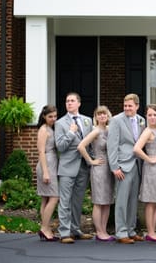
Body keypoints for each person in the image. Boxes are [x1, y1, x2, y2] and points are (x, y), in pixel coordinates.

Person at [54, 92, 94, 244]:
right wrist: (71, 132)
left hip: (83, 167)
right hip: (67, 167)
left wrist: (92, 161)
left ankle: (75, 229)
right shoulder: (60, 123)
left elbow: (89, 144)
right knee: (65, 201)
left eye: (72, 101)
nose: (69, 103)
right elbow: (60, 147)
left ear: (79, 103)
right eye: (67, 101)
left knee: (77, 201)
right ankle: (64, 232)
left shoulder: (87, 121)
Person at [107, 93, 145, 244]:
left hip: (137, 165)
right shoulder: (116, 120)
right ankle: (121, 232)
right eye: (125, 106)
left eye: (130, 106)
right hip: (123, 165)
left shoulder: (142, 120)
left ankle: (131, 230)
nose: (127, 108)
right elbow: (112, 145)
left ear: (137, 106)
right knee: (122, 200)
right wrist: (115, 167)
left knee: (133, 201)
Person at [77, 105, 115, 242]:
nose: (102, 116)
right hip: (99, 169)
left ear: (108, 115)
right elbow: (81, 146)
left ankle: (104, 230)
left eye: (104, 114)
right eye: (99, 114)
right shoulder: (96, 131)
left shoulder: (110, 130)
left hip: (109, 169)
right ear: (96, 117)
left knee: (107, 201)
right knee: (99, 201)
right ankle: (99, 232)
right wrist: (91, 161)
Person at [133, 104, 156, 242]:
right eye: (150, 115)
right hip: (152, 169)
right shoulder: (148, 131)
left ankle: (151, 231)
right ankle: (151, 232)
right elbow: (136, 149)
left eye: (155, 115)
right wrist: (149, 159)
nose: (152, 117)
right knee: (152, 201)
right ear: (146, 117)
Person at [35, 105, 59, 241]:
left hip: (52, 164)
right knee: (54, 197)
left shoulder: (51, 128)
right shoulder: (43, 130)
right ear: (44, 116)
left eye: (55, 116)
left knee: (45, 198)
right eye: (50, 116)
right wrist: (45, 172)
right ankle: (44, 228)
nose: (53, 119)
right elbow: (41, 152)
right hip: (46, 166)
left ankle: (46, 228)